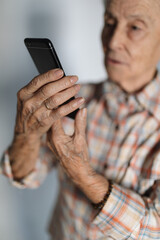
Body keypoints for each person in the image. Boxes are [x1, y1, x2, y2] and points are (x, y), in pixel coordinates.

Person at [1, 0, 160, 239]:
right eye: (109, 22)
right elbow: (25, 175)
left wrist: (83, 175)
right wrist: (26, 134)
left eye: (135, 27)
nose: (113, 41)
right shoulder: (73, 101)